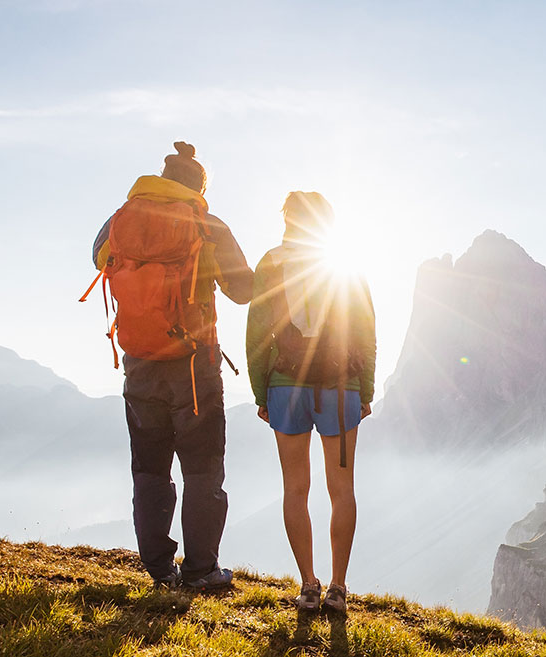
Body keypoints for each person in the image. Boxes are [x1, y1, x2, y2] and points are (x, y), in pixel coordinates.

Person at [90, 142, 252, 591]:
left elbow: (97, 260)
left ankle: (161, 570)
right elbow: (243, 290)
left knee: (149, 468)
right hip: (195, 368)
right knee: (202, 469)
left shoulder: (117, 222)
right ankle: (201, 570)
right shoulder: (207, 224)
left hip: (139, 364)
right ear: (199, 186)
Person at [246, 191, 376, 612]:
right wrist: (367, 390)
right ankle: (338, 588)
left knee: (294, 488)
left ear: (287, 221)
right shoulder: (345, 261)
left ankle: (308, 585)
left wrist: (260, 392)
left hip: (287, 386)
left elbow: (257, 330)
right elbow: (365, 330)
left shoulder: (272, 262)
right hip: (341, 388)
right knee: (342, 489)